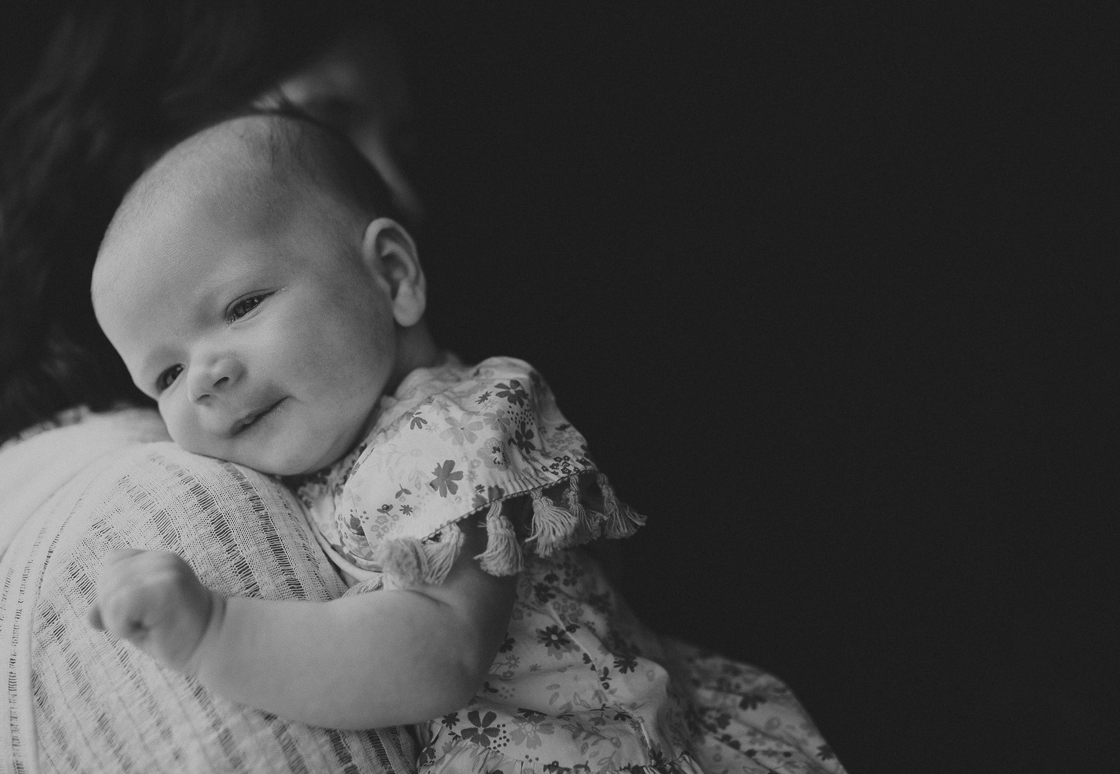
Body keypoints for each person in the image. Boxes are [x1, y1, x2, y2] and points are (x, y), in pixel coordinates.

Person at [86, 111, 846, 774]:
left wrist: (217, 632)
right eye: (166, 372)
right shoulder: (334, 449)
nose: (206, 379)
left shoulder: (446, 430)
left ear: (391, 275)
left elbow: (440, 650)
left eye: (243, 303)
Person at [0, 0, 426, 770]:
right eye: (330, 123)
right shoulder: (167, 507)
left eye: (404, 145)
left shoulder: (421, 438)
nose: (401, 191)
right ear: (151, 139)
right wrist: (214, 632)